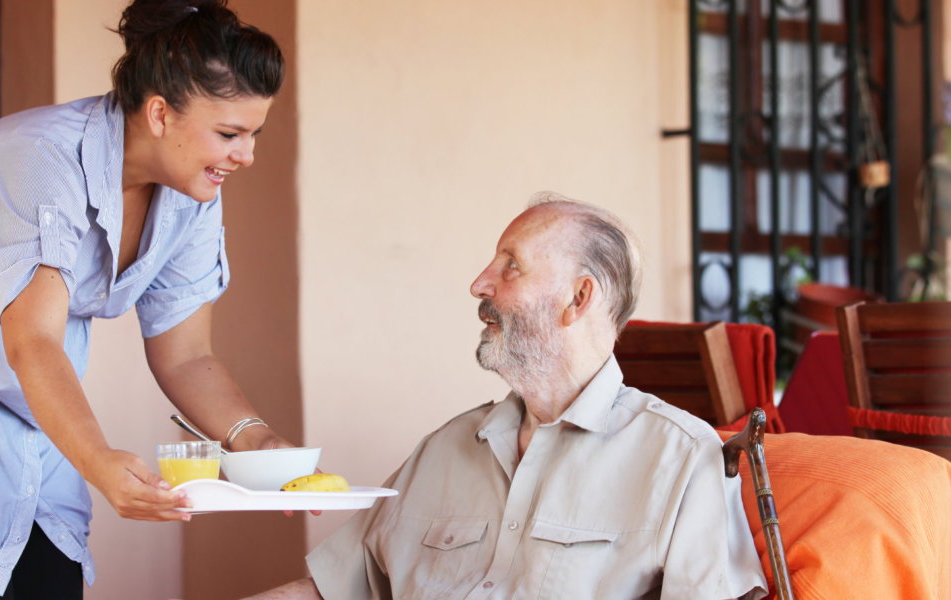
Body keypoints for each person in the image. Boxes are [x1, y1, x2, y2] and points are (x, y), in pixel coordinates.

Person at [0, 1, 294, 597]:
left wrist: (258, 444)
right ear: (161, 114)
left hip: (28, 407)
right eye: (229, 134)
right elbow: (32, 341)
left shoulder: (192, 193)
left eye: (254, 134)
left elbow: (187, 355)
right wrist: (98, 462)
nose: (245, 156)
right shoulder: (35, 162)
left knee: (48, 579)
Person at [247, 193, 769, 600]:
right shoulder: (444, 449)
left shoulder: (679, 458)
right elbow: (333, 590)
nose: (479, 284)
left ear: (578, 298)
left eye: (510, 266)